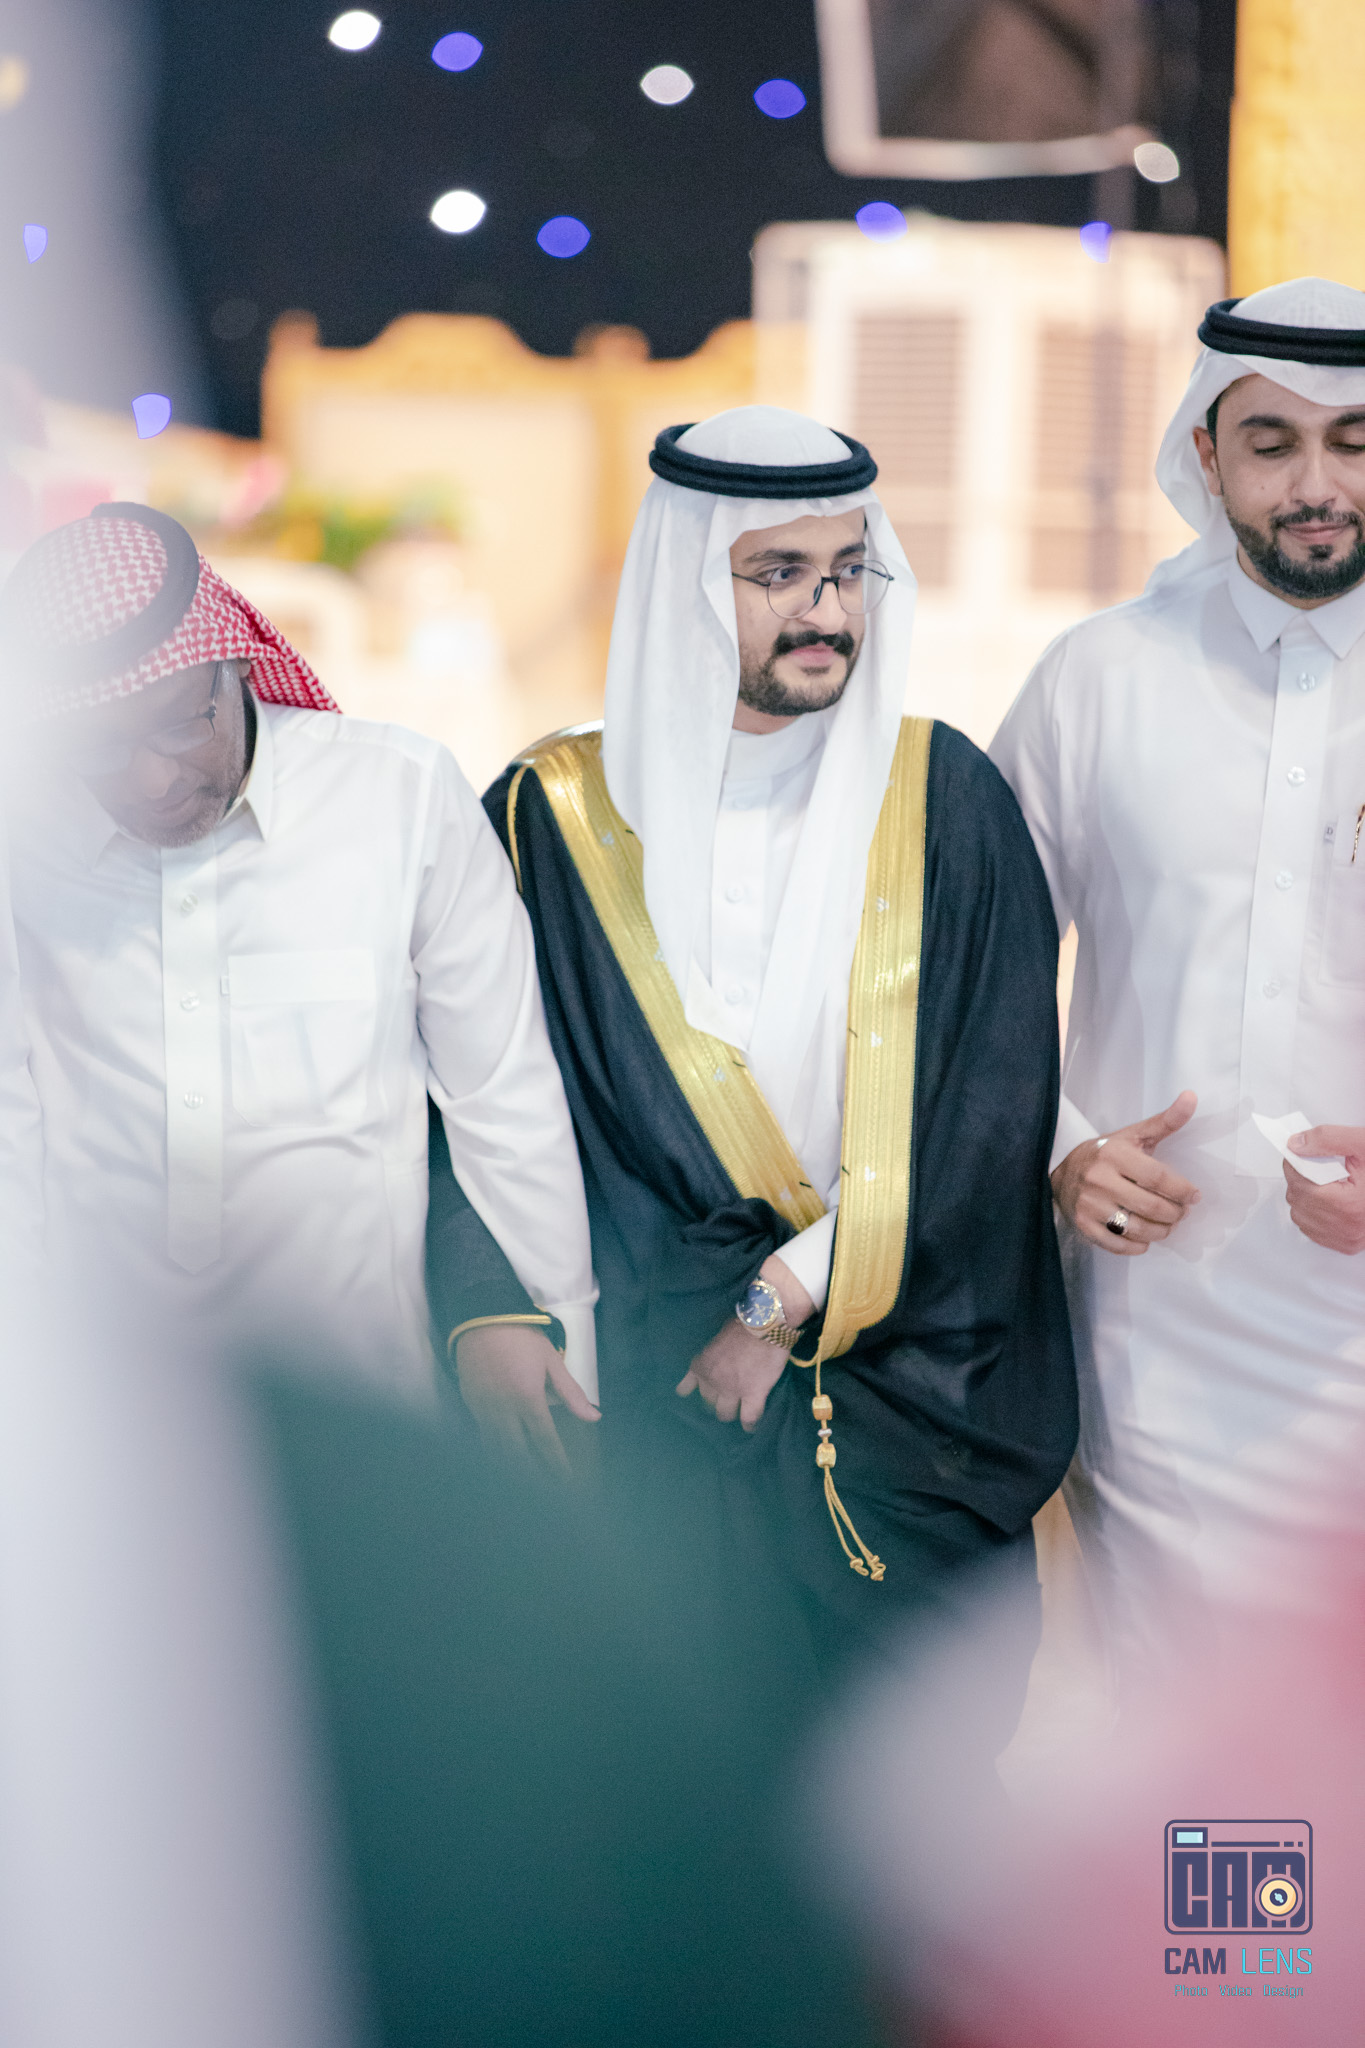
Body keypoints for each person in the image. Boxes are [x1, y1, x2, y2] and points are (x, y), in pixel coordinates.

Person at [480, 406, 1076, 1690]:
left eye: (850, 570)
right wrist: (495, 1308)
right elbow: (471, 1096)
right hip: (646, 1389)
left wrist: (781, 1298)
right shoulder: (548, 817)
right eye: (780, 575)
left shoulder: (947, 798)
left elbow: (992, 1109)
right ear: (688, 587)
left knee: (906, 1772)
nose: (828, 611)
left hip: (907, 1379)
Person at [0, 502, 598, 1434]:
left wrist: (559, 1340)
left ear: (236, 658)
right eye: (101, 747)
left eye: (176, 725)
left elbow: (502, 1102)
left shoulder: (399, 797)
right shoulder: (21, 835)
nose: (150, 779)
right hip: (106, 1420)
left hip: (371, 1408)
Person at [989, 277, 1365, 1675]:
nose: (1317, 483)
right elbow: (970, 975)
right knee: (1194, 1734)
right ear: (1206, 456)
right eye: (1273, 442)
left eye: (1355, 442)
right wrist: (1063, 1152)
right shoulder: (1100, 677)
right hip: (1164, 1324)